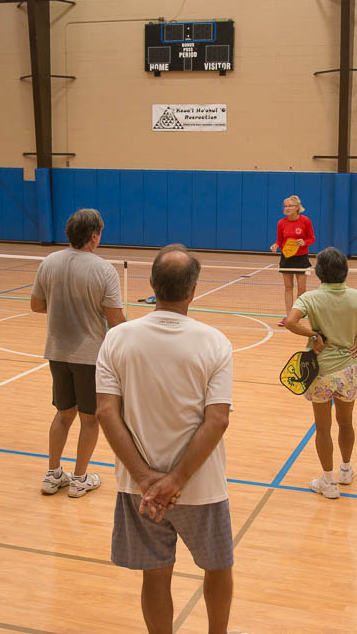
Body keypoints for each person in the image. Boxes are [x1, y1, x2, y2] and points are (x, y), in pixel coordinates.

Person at [96, 244, 234, 634]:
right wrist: (175, 482)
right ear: (193, 290)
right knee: (218, 567)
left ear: (152, 285)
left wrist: (146, 480)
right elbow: (218, 420)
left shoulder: (117, 338)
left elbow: (106, 411)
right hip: (201, 487)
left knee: (155, 575)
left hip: (138, 490)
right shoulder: (215, 342)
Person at [31, 208, 125, 497]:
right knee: (89, 419)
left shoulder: (49, 262)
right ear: (94, 236)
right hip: (89, 358)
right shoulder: (103, 270)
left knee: (63, 414)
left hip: (57, 353)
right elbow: (116, 321)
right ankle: (80, 478)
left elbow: (36, 305)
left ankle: (53, 474)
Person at [285, 247, 357, 499]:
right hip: (348, 370)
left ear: (319, 272)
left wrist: (313, 334)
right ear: (344, 271)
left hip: (320, 372)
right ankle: (346, 470)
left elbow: (290, 322)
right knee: (346, 423)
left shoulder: (309, 298)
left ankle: (329, 482)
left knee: (322, 428)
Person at [270, 194, 315, 327]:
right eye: (285, 206)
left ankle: (298, 313)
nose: (287, 208)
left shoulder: (306, 221)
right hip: (286, 258)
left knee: (302, 289)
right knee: (288, 288)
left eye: (290, 206)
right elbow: (279, 240)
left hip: (301, 258)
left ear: (297, 207)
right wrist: (276, 246)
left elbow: (312, 239)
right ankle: (289, 317)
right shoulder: (281, 223)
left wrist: (304, 242)